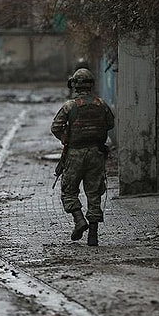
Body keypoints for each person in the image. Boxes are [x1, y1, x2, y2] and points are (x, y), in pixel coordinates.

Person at [52, 68, 115, 246]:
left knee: (69, 190)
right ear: (91, 85)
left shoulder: (70, 106)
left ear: (74, 85)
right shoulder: (101, 104)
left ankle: (79, 221)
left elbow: (56, 127)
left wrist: (67, 139)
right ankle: (93, 235)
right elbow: (110, 123)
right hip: (96, 153)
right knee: (94, 193)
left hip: (74, 155)